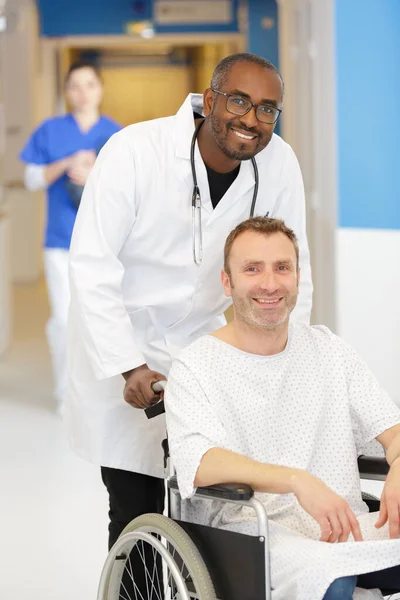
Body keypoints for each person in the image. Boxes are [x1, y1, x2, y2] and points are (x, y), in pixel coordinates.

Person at [66, 52, 313, 575]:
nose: (251, 119)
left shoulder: (279, 163)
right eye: (240, 101)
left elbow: (295, 267)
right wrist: (128, 365)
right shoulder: (135, 151)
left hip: (206, 349)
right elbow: (91, 266)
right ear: (212, 98)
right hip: (125, 345)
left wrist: (287, 360)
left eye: (268, 108)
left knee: (216, 504)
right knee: (136, 506)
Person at [165, 216, 400, 600]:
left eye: (282, 268)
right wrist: (296, 479)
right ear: (228, 282)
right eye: (252, 269)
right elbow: (201, 461)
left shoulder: (329, 350)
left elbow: (392, 428)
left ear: (297, 276)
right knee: (329, 573)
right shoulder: (197, 366)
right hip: (250, 531)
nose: (270, 284)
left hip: (344, 523)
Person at [19, 61, 120, 412]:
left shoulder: (116, 134)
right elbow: (31, 179)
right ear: (66, 91)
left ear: (100, 89)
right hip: (60, 241)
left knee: (101, 319)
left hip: (105, 243)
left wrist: (94, 172)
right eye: (74, 85)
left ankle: (99, 395)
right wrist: (64, 164)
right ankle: (66, 394)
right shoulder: (50, 131)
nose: (82, 92)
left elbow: (128, 190)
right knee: (63, 319)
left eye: (89, 84)